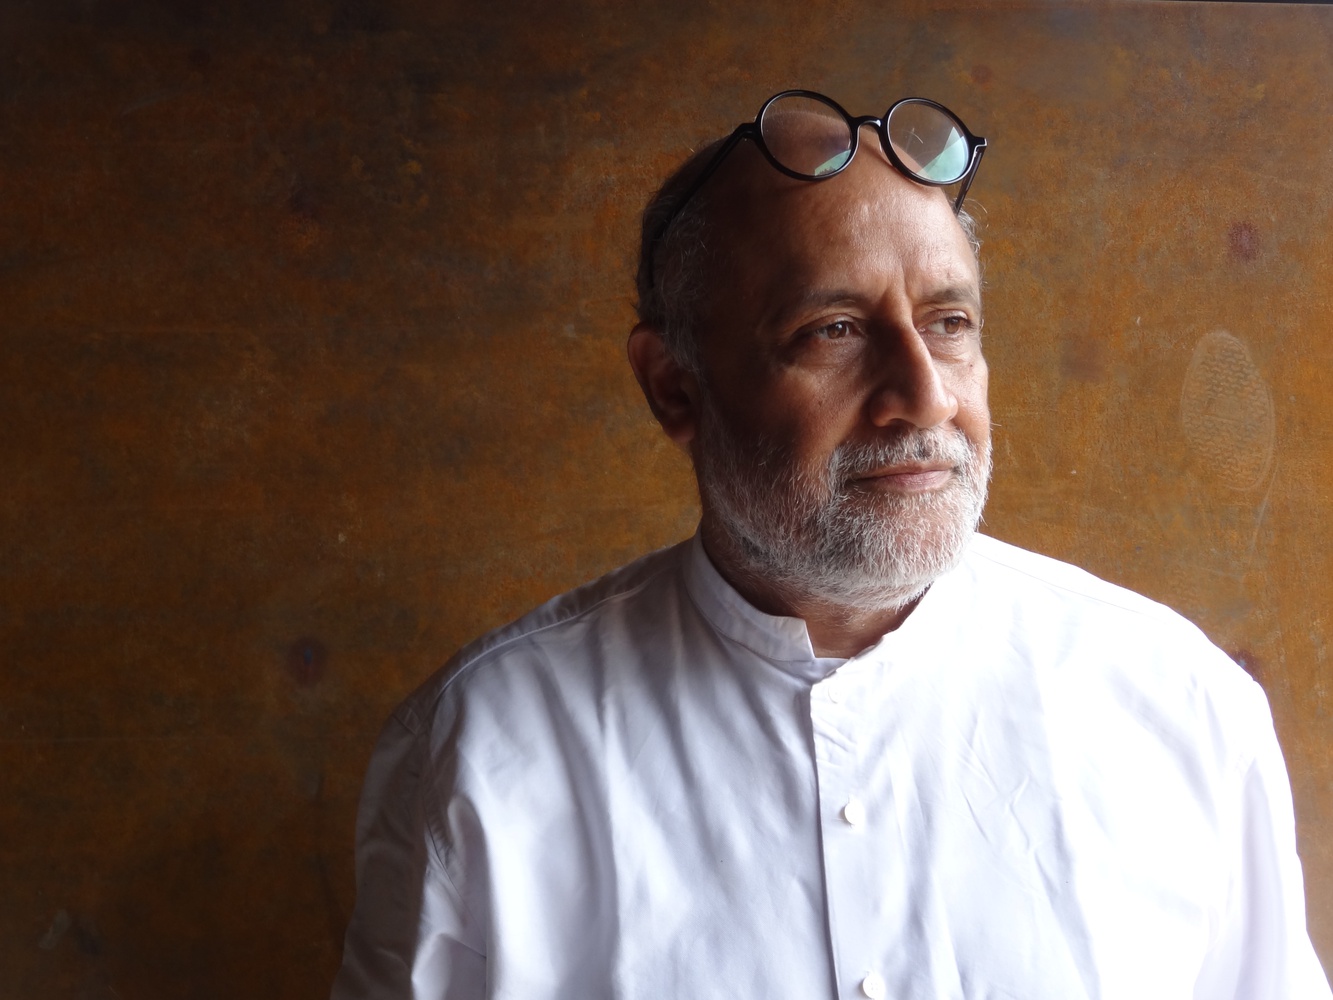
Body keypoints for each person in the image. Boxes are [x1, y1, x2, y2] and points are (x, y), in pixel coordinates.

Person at [331, 91, 1331, 999]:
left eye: (948, 322)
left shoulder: (1180, 710)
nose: (923, 397)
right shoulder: (483, 751)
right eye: (835, 330)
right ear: (674, 387)